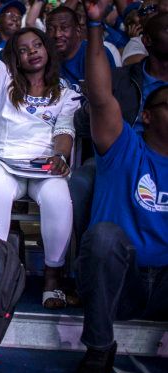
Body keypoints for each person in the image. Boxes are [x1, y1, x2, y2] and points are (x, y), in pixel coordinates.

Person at [74, 0, 167, 373]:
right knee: (103, 237)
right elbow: (99, 95)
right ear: (147, 114)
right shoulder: (122, 146)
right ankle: (99, 349)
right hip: (123, 285)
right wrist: (96, 24)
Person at [0, 2, 81, 309]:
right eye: (23, 49)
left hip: (45, 168)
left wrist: (61, 155)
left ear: (47, 50)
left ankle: (52, 278)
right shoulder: (5, 82)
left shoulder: (65, 92)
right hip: (6, 166)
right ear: (16, 59)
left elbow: (65, 130)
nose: (32, 51)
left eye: (37, 45)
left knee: (59, 197)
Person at [70, 12, 168, 242]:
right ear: (147, 41)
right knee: (82, 181)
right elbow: (84, 125)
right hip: (119, 154)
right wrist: (93, 107)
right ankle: (92, 251)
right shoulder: (120, 78)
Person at [45, 6, 116, 90]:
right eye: (51, 29)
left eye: (64, 28)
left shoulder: (96, 54)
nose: (57, 34)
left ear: (78, 30)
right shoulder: (46, 58)